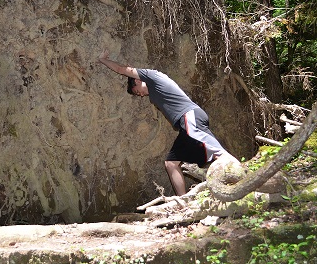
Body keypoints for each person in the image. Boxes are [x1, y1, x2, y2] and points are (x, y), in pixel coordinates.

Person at [97, 50, 239, 196]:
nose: (139, 95)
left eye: (136, 91)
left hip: (190, 117)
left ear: (138, 80)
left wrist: (103, 60)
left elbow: (122, 70)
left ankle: (244, 177)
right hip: (186, 124)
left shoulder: (152, 76)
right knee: (171, 163)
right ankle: (183, 202)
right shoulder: (154, 88)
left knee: (218, 153)